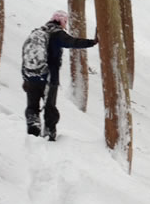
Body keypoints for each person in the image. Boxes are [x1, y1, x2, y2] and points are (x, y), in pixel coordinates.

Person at [21, 10, 98, 141]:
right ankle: (49, 133)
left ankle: (33, 132)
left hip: (31, 76)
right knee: (50, 107)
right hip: (49, 77)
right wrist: (92, 42)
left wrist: (26, 79)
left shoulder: (38, 32)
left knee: (32, 106)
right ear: (63, 22)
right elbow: (73, 42)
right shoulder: (57, 34)